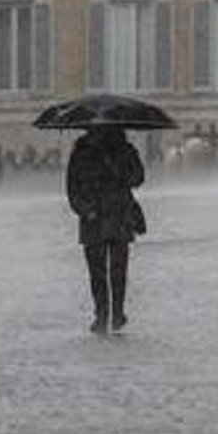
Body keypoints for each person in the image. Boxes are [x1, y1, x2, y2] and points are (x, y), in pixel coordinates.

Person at [65, 125, 146, 333]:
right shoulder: (84, 153)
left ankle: (110, 314)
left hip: (109, 215)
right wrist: (86, 210)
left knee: (108, 271)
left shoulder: (122, 150)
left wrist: (85, 210)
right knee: (106, 270)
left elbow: (137, 179)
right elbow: (72, 188)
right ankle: (107, 314)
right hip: (103, 215)